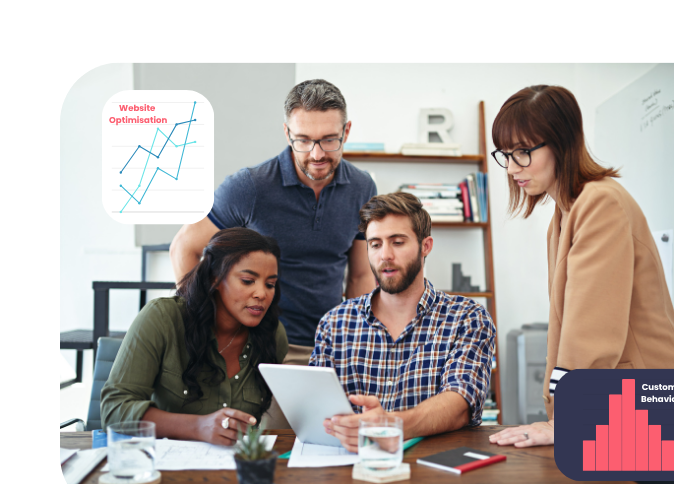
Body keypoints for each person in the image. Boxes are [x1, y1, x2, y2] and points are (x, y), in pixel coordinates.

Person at [486, 85, 674, 484]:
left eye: (523, 151)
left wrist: (566, 423)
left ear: (560, 142)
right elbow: (568, 324)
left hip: (661, 406)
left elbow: (592, 330)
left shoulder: (600, 203)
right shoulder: (565, 212)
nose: (512, 167)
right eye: (505, 153)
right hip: (631, 406)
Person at [169, 79, 377, 426]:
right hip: (266, 348)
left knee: (339, 450)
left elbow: (359, 275)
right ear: (287, 133)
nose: (317, 153)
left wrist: (355, 339)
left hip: (332, 347)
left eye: (329, 139)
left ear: (346, 131)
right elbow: (185, 248)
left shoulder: (362, 187)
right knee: (273, 451)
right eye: (303, 140)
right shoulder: (251, 187)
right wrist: (205, 324)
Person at [310, 193, 496, 452]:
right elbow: (316, 410)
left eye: (397, 242)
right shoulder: (334, 324)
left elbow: (459, 405)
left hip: (434, 472)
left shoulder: (467, 318)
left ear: (425, 246)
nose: (385, 255)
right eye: (375, 244)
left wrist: (390, 425)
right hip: (350, 471)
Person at [101, 228, 289, 445]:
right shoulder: (162, 319)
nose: (262, 293)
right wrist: (198, 427)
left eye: (270, 284)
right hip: (166, 464)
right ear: (214, 279)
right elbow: (115, 408)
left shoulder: (273, 335)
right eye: (248, 280)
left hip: (239, 467)